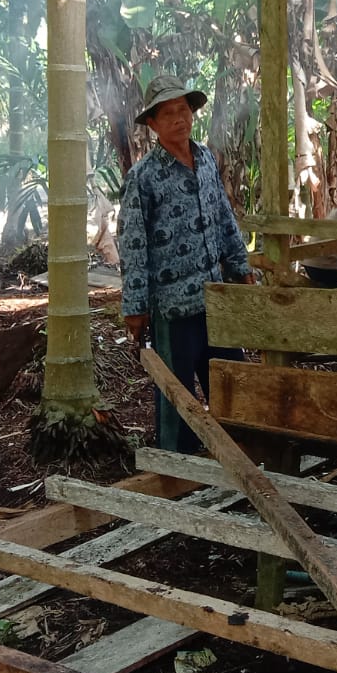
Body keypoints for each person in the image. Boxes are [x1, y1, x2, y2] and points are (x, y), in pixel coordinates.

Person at [117, 74, 253, 454]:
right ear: (154, 124)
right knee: (176, 393)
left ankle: (238, 452)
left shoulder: (206, 158)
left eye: (183, 110)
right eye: (168, 113)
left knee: (230, 381)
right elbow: (133, 244)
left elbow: (224, 214)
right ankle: (179, 467)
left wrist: (240, 265)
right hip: (173, 307)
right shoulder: (143, 178)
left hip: (215, 297)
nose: (179, 118)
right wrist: (135, 307)